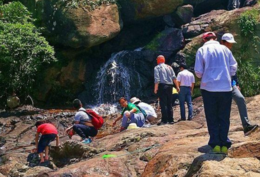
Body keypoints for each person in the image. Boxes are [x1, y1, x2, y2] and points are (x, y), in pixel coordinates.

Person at [195, 32, 237, 154]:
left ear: (204, 40)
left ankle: (215, 144)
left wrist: (205, 76)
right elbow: (233, 66)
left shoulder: (202, 50)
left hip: (209, 88)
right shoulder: (225, 49)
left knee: (212, 116)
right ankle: (224, 143)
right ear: (216, 38)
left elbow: (198, 71)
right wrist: (227, 76)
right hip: (225, 87)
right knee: (224, 116)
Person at [221, 33, 258, 136]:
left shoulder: (228, 53)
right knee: (224, 108)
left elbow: (233, 70)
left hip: (230, 83)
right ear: (222, 42)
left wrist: (235, 83)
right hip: (220, 84)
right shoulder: (218, 53)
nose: (230, 45)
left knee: (241, 99)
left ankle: (246, 125)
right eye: (229, 43)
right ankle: (222, 133)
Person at [154, 55, 179, 125]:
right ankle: (171, 120)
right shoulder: (169, 67)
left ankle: (164, 120)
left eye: (157, 60)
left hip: (162, 86)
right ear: (164, 60)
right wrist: (177, 86)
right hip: (170, 86)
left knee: (163, 103)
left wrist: (155, 88)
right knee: (169, 103)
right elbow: (174, 77)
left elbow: (157, 79)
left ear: (158, 60)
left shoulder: (157, 68)